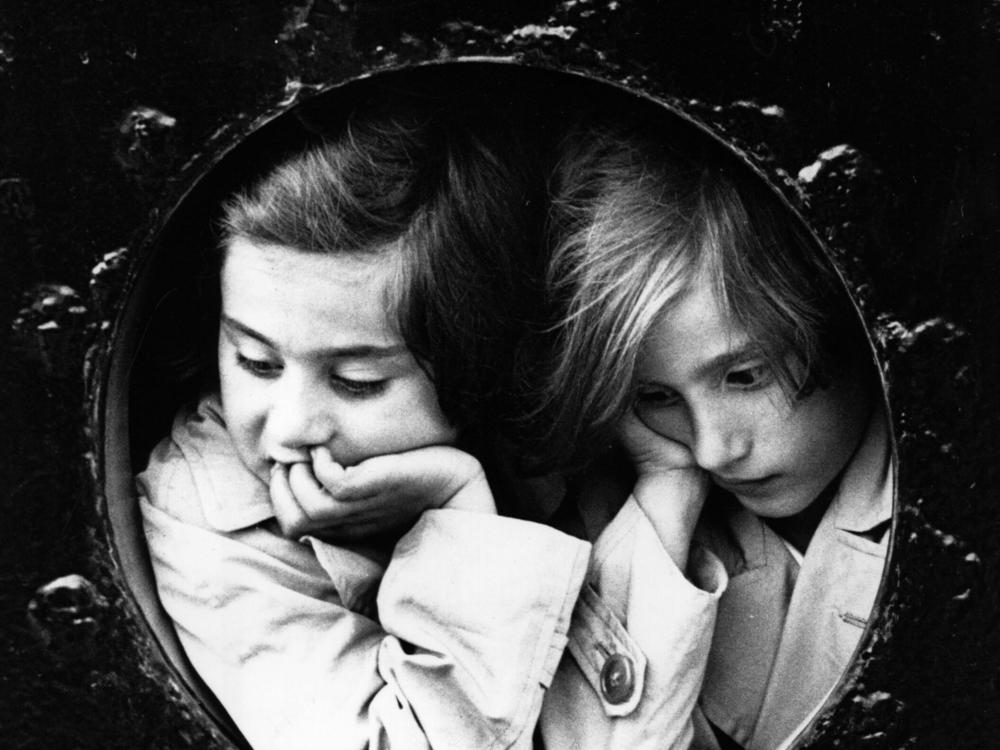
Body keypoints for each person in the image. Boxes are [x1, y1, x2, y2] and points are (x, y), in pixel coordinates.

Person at [137, 97, 725, 750]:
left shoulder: (533, 448)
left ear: (469, 364)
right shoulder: (208, 512)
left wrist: (671, 483)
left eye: (356, 381)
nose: (290, 425)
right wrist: (461, 514)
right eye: (255, 360)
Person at [532, 120, 893, 750]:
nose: (711, 449)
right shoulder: (636, 518)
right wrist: (668, 493)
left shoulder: (942, 499)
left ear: (832, 313)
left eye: (745, 375)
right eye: (658, 396)